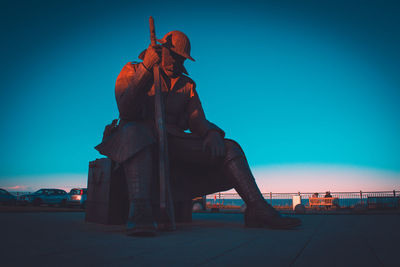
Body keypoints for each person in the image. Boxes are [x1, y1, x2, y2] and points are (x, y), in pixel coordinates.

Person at [96, 30, 301, 236]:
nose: (175, 62)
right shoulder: (133, 69)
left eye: (180, 58)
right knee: (134, 133)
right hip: (138, 138)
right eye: (172, 55)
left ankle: (257, 208)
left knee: (230, 147)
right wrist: (147, 69)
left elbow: (197, 121)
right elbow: (126, 110)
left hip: (173, 141)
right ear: (161, 50)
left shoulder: (187, 85)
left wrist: (211, 133)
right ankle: (140, 209)